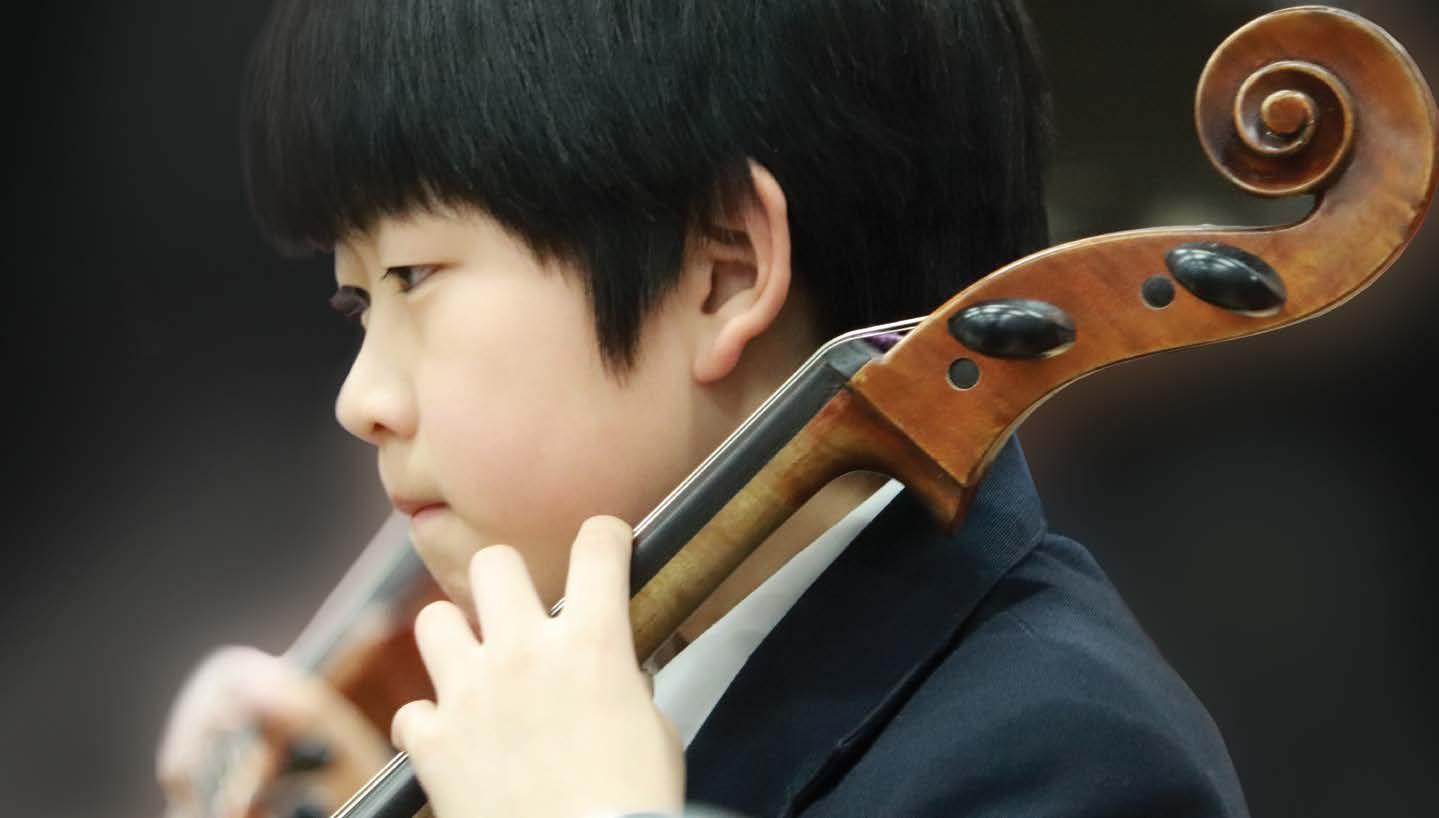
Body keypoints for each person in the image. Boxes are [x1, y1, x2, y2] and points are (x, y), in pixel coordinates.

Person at [157, 1, 1250, 816]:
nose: (361, 401)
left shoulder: (1071, 759)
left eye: (412, 277)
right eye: (359, 302)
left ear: (724, 272)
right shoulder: (590, 703)